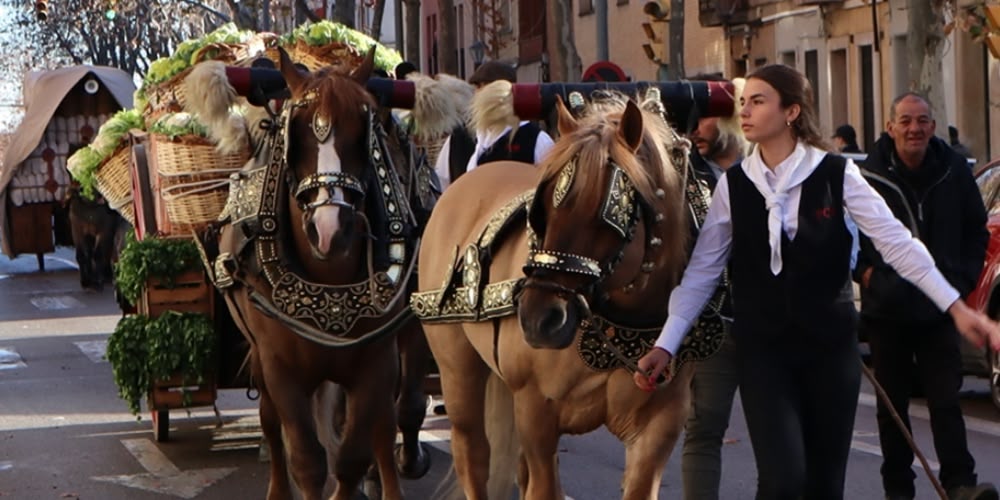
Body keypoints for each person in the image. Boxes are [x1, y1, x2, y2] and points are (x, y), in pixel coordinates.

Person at [632, 64, 1000, 499]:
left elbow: (899, 245)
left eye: (758, 101)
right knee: (782, 482)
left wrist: (956, 308)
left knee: (825, 486)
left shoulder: (836, 174)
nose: (744, 112)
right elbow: (702, 273)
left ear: (791, 112)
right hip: (764, 354)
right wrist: (666, 343)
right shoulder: (734, 186)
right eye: (743, 102)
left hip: (830, 352)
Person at [855, 93, 997, 500]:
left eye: (922, 121)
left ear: (933, 127)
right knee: (892, 409)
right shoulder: (868, 176)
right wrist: (868, 276)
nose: (914, 128)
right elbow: (853, 240)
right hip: (888, 311)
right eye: (905, 121)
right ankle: (898, 488)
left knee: (946, 399)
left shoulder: (953, 170)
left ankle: (960, 485)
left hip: (940, 309)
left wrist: (962, 278)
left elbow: (976, 230)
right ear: (891, 127)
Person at [679, 74, 748, 500]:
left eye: (703, 119)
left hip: (768, 322)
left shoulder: (767, 170)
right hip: (711, 327)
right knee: (703, 429)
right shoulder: (680, 179)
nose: (695, 130)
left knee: (781, 433)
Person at [433, 61, 553, 190]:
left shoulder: (535, 140)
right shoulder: (459, 138)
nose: (480, 95)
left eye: (486, 88)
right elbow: (442, 184)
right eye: (477, 88)